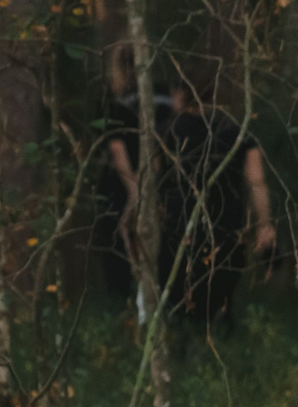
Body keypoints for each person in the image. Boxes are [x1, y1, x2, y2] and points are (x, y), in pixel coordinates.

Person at [103, 80, 276, 324]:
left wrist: (141, 214)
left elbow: (150, 180)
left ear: (181, 94)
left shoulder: (166, 131)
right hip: (226, 228)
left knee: (180, 303)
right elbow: (257, 182)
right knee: (218, 300)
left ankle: (186, 339)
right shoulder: (237, 133)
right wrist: (264, 224)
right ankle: (215, 335)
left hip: (178, 229)